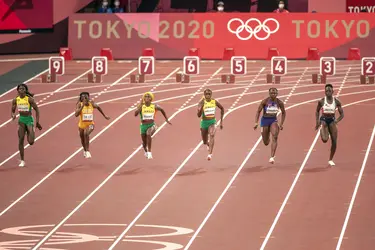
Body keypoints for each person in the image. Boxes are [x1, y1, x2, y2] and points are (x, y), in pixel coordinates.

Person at [11, 84, 42, 167]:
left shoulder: (29, 99)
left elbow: (37, 109)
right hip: (21, 120)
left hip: (29, 120)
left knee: (31, 142)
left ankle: (30, 131)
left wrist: (37, 122)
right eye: (20, 89)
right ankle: (22, 160)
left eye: (23, 89)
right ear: (17, 90)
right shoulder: (15, 100)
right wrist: (13, 115)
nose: (21, 90)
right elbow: (13, 110)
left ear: (25, 90)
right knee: (20, 140)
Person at [134, 92, 171, 159]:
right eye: (145, 96)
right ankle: (145, 150)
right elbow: (135, 114)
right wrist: (140, 107)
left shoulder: (154, 106)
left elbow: (162, 109)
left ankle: (149, 152)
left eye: (148, 96)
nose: (147, 98)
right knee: (144, 143)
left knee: (148, 133)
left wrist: (166, 119)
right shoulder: (141, 106)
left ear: (151, 98)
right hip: (143, 126)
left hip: (152, 125)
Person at [254, 87, 286, 164]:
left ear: (277, 94)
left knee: (275, 137)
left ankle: (272, 157)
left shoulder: (279, 102)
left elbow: (284, 113)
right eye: (272, 93)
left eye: (275, 93)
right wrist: (256, 122)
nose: (273, 94)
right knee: (266, 142)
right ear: (269, 93)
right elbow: (258, 111)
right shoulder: (265, 101)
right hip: (264, 121)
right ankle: (266, 135)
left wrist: (281, 124)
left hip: (273, 120)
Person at [315, 84, 344, 166]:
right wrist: (317, 121)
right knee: (324, 140)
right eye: (326, 91)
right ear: (325, 92)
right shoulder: (321, 101)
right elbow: (317, 111)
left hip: (332, 120)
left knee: (334, 141)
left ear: (332, 92)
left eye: (329, 91)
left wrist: (336, 121)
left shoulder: (337, 101)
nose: (328, 92)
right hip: (324, 120)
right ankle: (323, 129)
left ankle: (330, 159)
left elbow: (342, 114)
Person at [75, 92, 110, 158]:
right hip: (81, 125)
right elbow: (76, 115)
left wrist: (104, 115)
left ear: (88, 97)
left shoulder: (92, 103)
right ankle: (85, 150)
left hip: (91, 124)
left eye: (86, 97)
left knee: (86, 133)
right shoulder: (79, 104)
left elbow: (98, 107)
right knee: (82, 138)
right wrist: (82, 107)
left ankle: (88, 151)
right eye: (83, 97)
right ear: (81, 99)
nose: (85, 99)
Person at [197, 88, 224, 160]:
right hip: (204, 123)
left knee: (212, 135)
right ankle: (208, 144)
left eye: (209, 94)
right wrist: (201, 107)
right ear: (204, 95)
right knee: (204, 141)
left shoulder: (214, 101)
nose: (208, 95)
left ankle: (210, 154)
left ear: (211, 95)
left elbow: (222, 108)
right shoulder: (201, 102)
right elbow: (198, 115)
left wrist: (221, 122)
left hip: (212, 122)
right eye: (206, 94)